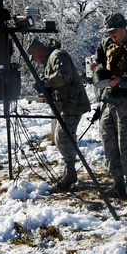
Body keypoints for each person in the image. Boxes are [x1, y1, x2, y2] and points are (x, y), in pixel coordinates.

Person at [91, 12, 127, 201]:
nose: (111, 35)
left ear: (124, 27)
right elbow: (98, 61)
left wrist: (121, 81)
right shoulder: (106, 44)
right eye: (108, 32)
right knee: (109, 145)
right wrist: (96, 67)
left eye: (114, 31)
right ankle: (117, 185)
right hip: (107, 103)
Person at [26, 37, 91, 192]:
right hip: (67, 104)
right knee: (62, 137)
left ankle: (70, 174)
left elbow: (64, 75)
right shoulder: (52, 57)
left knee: (63, 137)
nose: (35, 61)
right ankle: (70, 171)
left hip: (72, 104)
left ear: (39, 51)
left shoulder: (57, 55)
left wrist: (45, 83)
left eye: (34, 57)